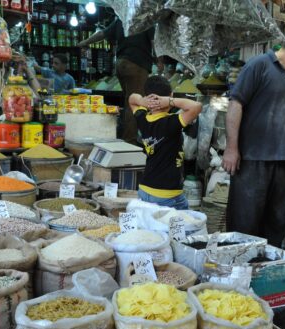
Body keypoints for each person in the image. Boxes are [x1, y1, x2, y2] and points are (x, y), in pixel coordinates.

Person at [222, 25, 285, 247]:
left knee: (276, 225)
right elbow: (235, 105)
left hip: (284, 164)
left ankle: (266, 272)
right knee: (244, 223)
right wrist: (231, 148)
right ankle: (238, 275)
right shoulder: (259, 66)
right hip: (253, 160)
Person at [128, 76, 202, 210]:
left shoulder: (142, 118)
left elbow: (132, 99)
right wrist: (170, 101)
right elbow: (196, 106)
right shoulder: (171, 123)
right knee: (182, 228)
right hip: (168, 195)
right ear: (171, 95)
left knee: (151, 228)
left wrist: (142, 101)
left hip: (145, 189)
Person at [78, 18, 156, 144]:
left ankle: (125, 135)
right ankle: (129, 140)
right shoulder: (146, 19)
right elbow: (154, 42)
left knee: (128, 102)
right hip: (137, 64)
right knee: (135, 104)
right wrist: (160, 61)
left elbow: (102, 33)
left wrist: (85, 42)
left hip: (121, 64)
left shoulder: (121, 19)